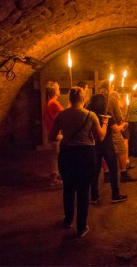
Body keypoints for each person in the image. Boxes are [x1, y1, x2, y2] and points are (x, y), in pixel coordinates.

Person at [48, 87, 108, 238]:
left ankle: (68, 220)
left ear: (70, 98)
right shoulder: (90, 115)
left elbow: (52, 136)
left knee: (68, 188)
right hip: (86, 154)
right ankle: (81, 227)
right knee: (83, 190)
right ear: (83, 99)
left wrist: (66, 136)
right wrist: (105, 123)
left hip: (67, 154)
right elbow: (99, 137)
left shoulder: (62, 115)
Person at [86, 94, 128, 204]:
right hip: (107, 145)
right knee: (113, 169)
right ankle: (115, 194)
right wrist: (123, 125)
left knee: (95, 170)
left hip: (94, 145)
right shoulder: (107, 114)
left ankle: (94, 195)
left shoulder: (88, 113)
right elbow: (115, 129)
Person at [99, 81, 137, 183]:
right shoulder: (112, 99)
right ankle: (123, 173)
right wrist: (123, 123)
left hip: (100, 128)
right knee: (121, 149)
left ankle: (106, 173)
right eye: (112, 86)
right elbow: (118, 115)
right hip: (112, 128)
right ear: (109, 87)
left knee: (103, 151)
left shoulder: (97, 98)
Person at [43, 81, 64, 186]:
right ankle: (55, 177)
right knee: (57, 156)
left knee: (56, 155)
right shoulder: (54, 103)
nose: (59, 90)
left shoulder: (50, 102)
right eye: (58, 88)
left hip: (53, 132)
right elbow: (65, 113)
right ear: (55, 91)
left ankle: (57, 175)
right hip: (55, 133)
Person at [127, 91, 137, 158]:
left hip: (130, 121)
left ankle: (130, 152)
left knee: (131, 137)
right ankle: (135, 152)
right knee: (136, 137)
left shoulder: (130, 102)